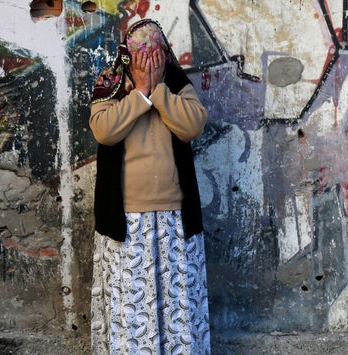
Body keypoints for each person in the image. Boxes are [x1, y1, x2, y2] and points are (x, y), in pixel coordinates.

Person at [89, 18, 211, 354]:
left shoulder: (173, 81)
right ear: (128, 54)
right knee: (131, 312)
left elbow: (193, 125)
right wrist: (139, 94)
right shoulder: (111, 81)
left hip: (173, 218)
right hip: (126, 220)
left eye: (156, 51)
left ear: (164, 53)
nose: (150, 59)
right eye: (142, 52)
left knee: (177, 307)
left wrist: (158, 91)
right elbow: (104, 130)